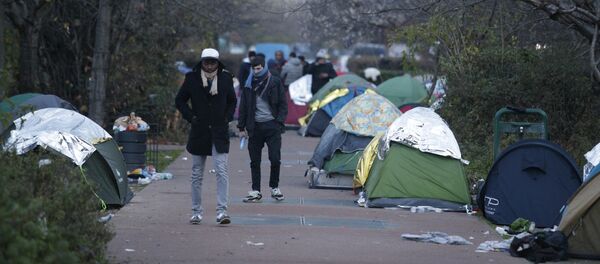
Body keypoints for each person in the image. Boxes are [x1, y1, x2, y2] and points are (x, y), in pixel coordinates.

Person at [175, 48, 237, 225]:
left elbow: (232, 100)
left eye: (213, 62)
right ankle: (196, 211)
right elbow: (179, 100)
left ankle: (222, 211)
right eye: (206, 62)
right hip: (200, 130)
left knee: (222, 171)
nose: (209, 65)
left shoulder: (225, 78)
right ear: (201, 62)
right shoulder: (192, 78)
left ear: (218, 63)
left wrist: (227, 117)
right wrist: (191, 117)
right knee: (196, 173)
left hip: (219, 131)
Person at [237, 56, 288, 202]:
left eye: (258, 68)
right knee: (255, 161)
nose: (256, 71)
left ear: (264, 67)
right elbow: (244, 107)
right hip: (255, 127)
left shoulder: (275, 81)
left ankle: (274, 187)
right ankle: (256, 190)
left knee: (275, 159)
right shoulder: (249, 84)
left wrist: (278, 122)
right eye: (253, 68)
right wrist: (241, 127)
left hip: (272, 126)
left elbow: (283, 105)